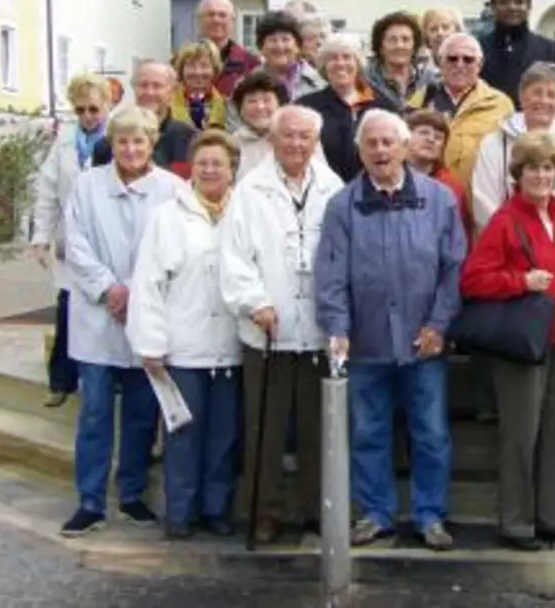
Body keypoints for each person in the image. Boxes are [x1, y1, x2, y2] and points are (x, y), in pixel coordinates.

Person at [315, 110, 466, 551]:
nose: (380, 151)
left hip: (424, 343)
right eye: (371, 143)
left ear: (404, 147)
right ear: (360, 151)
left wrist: (438, 324)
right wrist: (338, 328)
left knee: (431, 434)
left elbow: (453, 269)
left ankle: (430, 515)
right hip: (367, 342)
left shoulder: (439, 199)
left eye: (388, 142)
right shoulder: (342, 206)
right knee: (368, 433)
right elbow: (330, 275)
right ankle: (375, 513)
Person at [60, 105, 188, 537]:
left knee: (140, 414)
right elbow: (75, 244)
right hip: (97, 315)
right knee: (95, 413)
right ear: (111, 144)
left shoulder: (173, 189)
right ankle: (90, 501)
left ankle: (132, 494)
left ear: (152, 144)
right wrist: (108, 288)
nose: (131, 149)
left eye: (139, 141)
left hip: (146, 315)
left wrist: (134, 290)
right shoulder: (86, 186)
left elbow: (174, 249)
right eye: (122, 141)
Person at [220, 105, 345, 543]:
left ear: (316, 142)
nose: (295, 143)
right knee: (265, 429)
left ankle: (317, 509)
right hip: (267, 329)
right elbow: (233, 257)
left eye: (304, 136)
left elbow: (341, 255)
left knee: (318, 429)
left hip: (317, 330)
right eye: (287, 135)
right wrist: (254, 302)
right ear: (272, 140)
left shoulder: (333, 188)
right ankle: (263, 511)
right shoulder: (249, 190)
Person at [460, 131, 555, 551]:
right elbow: (473, 280)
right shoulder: (504, 221)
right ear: (518, 174)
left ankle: (554, 517)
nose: (541, 176)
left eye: (547, 168)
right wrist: (520, 281)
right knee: (520, 437)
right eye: (532, 168)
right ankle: (517, 523)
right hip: (521, 347)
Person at [125, 130, 244, 540]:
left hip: (231, 346)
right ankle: (181, 512)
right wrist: (151, 342)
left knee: (224, 437)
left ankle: (216, 508)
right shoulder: (167, 216)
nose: (209, 170)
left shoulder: (245, 212)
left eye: (218, 164)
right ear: (191, 168)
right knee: (183, 435)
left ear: (232, 170)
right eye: (202, 163)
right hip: (183, 346)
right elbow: (148, 283)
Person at [31, 74, 114, 407]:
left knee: (107, 310)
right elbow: (47, 191)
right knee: (68, 307)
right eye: (80, 110)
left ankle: (110, 379)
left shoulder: (117, 138)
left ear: (107, 105)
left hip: (108, 240)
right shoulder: (65, 141)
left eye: (94, 109)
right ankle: (61, 380)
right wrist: (41, 236)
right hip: (72, 239)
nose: (87, 116)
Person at [469, 62, 555, 231]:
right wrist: (515, 237)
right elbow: (483, 200)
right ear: (522, 96)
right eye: (537, 93)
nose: (544, 100)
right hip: (506, 241)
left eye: (552, 95)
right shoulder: (494, 143)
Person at [406, 33, 514, 188]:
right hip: (428, 195)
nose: (460, 64)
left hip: (481, 197)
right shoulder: (419, 101)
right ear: (440, 62)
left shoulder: (500, 105)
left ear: (479, 65)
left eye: (468, 59)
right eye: (452, 58)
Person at [297, 35, 396, 182]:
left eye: (347, 57)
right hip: (322, 189)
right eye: (333, 58)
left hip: (372, 188)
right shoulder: (306, 107)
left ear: (358, 63)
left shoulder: (382, 105)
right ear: (324, 65)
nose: (340, 63)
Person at [91, 61, 196, 177]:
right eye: (143, 85)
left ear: (172, 92)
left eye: (157, 86)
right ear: (134, 88)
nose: (149, 92)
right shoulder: (109, 144)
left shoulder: (191, 140)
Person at [477, 0, 555, 104]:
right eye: (504, 2)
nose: (512, 7)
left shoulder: (551, 51)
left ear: (529, 6)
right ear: (493, 6)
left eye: (519, 2)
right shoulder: (477, 49)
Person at [406, 109, 473, 241]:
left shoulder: (452, 188)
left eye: (438, 137)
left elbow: (459, 237)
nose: (431, 139)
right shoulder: (388, 178)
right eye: (423, 132)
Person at [365, 11, 437, 109]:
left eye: (405, 39)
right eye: (392, 40)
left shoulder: (431, 82)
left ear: (414, 46)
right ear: (380, 47)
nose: (399, 45)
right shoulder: (365, 81)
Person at [195, 0, 261, 97]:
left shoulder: (251, 64)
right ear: (199, 20)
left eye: (222, 15)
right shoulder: (181, 61)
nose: (216, 20)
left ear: (232, 21)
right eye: (210, 14)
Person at [256, 12, 325, 100]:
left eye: (285, 39)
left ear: (298, 45)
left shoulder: (320, 82)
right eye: (273, 40)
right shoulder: (248, 83)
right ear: (261, 47)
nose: (280, 46)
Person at [167, 40, 232, 132]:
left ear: (214, 69)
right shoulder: (166, 104)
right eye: (191, 66)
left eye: (204, 66)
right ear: (181, 69)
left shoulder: (227, 106)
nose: (197, 72)